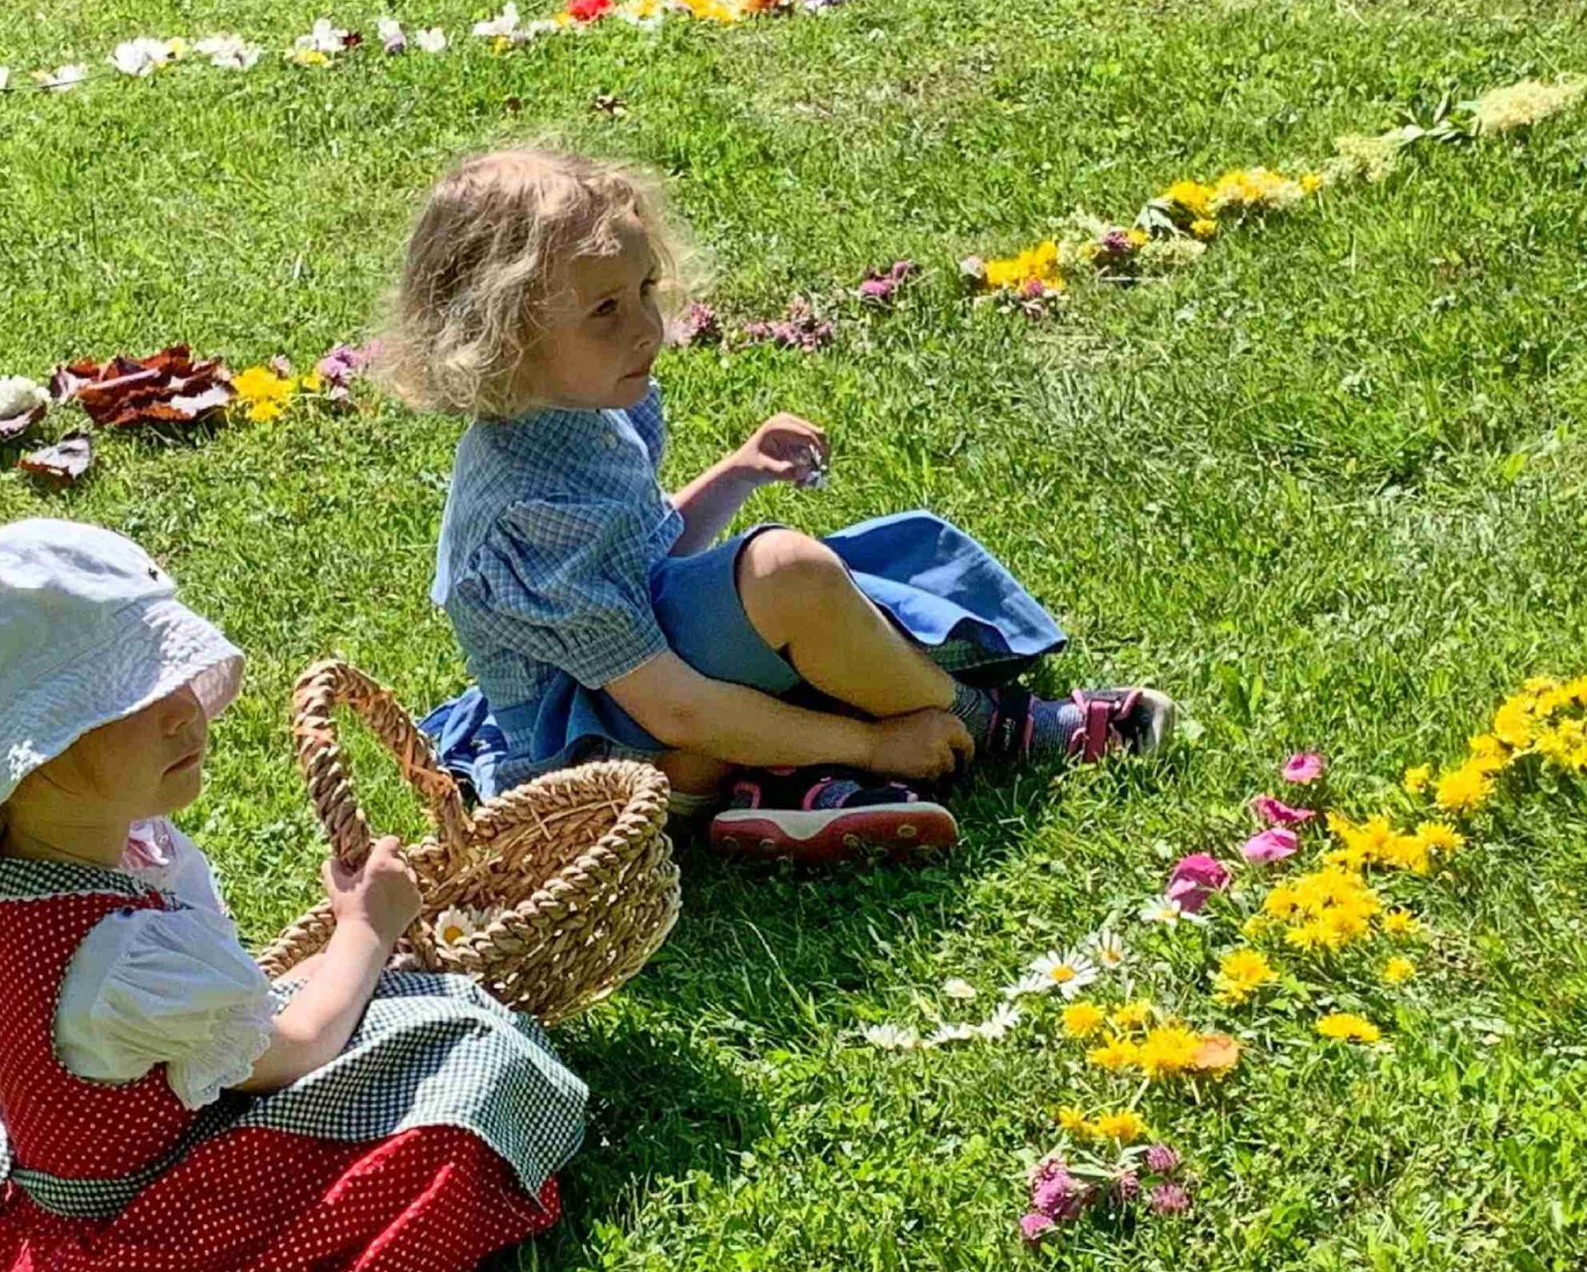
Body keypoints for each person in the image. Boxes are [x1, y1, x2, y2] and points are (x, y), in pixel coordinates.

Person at [0, 519, 586, 1272]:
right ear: (33, 758)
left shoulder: (14, 875)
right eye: (133, 697)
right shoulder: (126, 955)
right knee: (473, 1087)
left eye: (171, 675)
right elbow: (297, 1047)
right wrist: (366, 927)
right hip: (162, 1232)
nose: (185, 709)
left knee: (418, 1007)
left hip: (130, 1164)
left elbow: (211, 1026)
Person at [385, 144, 1177, 866]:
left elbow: (645, 553)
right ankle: (993, 726)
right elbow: (676, 710)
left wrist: (735, 473)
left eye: (645, 290)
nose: (647, 327)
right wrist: (872, 744)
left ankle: (781, 784)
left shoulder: (576, 407)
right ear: (504, 335)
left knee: (843, 574)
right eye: (605, 311)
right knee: (785, 575)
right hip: (616, 760)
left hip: (647, 694)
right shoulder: (527, 515)